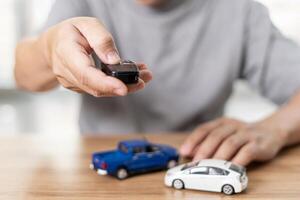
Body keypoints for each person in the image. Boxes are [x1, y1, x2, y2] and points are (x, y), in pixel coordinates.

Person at [14, 0, 300, 166]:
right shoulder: (82, 2)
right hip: (98, 173)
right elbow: (24, 75)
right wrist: (48, 49)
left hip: (196, 164)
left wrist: (276, 128)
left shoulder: (239, 11)